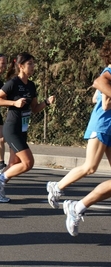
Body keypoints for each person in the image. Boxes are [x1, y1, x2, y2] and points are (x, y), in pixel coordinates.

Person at [47, 41, 111, 209]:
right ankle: (57, 186)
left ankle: (78, 206)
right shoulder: (108, 72)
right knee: (90, 167)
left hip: (109, 127)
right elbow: (105, 105)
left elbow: (94, 98)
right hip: (102, 126)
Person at [0, 52, 55, 202]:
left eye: (33, 63)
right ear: (20, 66)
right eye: (29, 64)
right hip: (12, 128)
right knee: (28, 163)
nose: (33, 67)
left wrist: (46, 102)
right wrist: (14, 103)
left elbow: (35, 108)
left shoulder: (31, 86)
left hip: (23, 129)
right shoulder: (13, 83)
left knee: (14, 163)